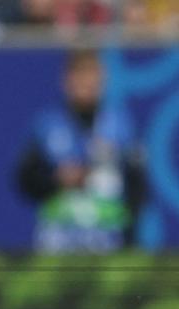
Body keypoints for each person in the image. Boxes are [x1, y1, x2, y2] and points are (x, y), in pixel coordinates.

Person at [16, 49, 146, 253]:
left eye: (91, 75)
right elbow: (24, 179)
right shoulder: (47, 125)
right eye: (79, 74)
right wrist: (56, 180)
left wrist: (129, 234)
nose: (85, 83)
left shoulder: (120, 124)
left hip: (108, 237)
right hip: (59, 239)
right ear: (66, 80)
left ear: (102, 79)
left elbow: (138, 184)